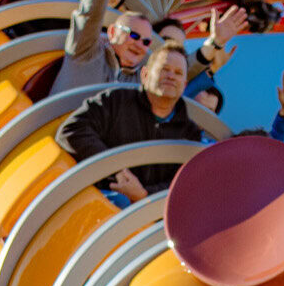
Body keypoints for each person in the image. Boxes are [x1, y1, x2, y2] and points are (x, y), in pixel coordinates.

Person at [55, 43, 202, 200]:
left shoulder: (190, 135)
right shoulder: (115, 100)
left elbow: (184, 182)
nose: (171, 76)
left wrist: (144, 194)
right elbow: (71, 131)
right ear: (144, 75)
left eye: (178, 73)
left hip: (148, 216)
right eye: (164, 69)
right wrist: (117, 172)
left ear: (184, 85)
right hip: (97, 197)